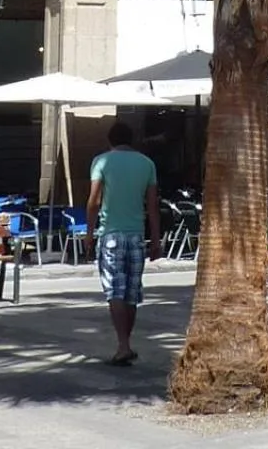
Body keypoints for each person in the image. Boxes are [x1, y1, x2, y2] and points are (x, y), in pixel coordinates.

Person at [87, 121, 161, 365]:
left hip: (111, 234)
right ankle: (125, 344)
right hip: (137, 235)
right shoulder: (147, 163)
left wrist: (89, 232)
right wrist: (156, 239)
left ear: (110, 140)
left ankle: (123, 344)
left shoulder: (101, 162)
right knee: (131, 291)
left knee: (114, 291)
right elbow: (152, 205)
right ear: (132, 140)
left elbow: (94, 201)